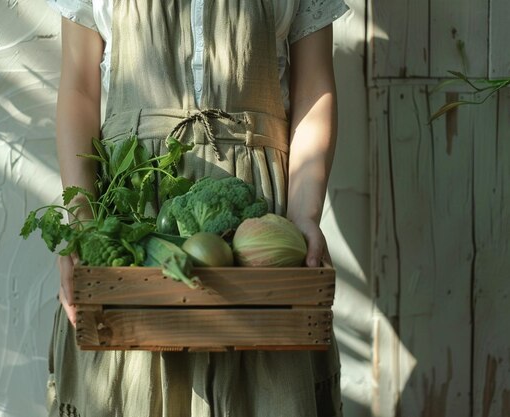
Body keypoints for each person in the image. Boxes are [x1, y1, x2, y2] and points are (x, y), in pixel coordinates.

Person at [45, 1, 349, 416]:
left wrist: (303, 216)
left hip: (258, 218)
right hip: (137, 212)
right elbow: (79, 86)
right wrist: (81, 221)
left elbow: (313, 89)